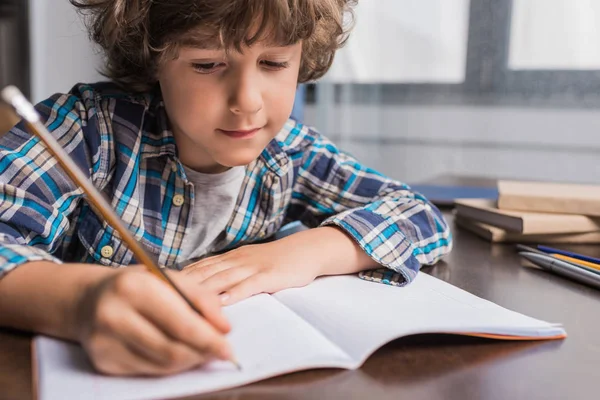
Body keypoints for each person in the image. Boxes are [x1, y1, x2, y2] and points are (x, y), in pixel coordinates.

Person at [0, 0, 452, 376]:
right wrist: (79, 302)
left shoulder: (291, 152)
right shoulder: (87, 131)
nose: (247, 100)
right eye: (208, 64)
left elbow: (419, 214)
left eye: (274, 63)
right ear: (155, 57)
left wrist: (307, 253)